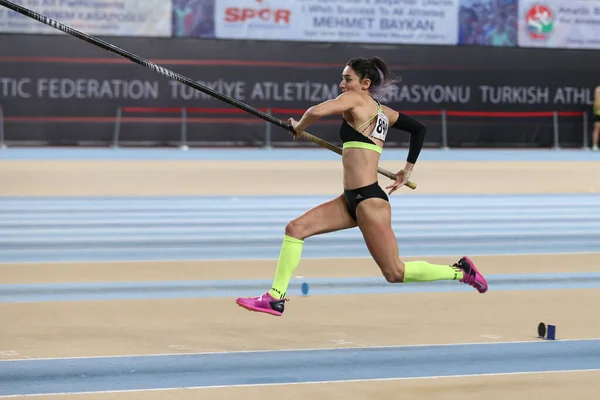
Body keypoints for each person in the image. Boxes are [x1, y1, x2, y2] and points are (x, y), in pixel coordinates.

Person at [236, 57, 488, 317]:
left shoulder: (356, 99)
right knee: (295, 229)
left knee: (394, 272)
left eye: (348, 79)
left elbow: (315, 111)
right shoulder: (384, 113)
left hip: (369, 200)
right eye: (342, 79)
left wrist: (299, 128)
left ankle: (461, 272)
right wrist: (407, 170)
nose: (342, 84)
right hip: (350, 200)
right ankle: (275, 298)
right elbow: (418, 129)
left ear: (365, 83)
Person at [593, 85, 600, 152]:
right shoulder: (598, 89)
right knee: (597, 128)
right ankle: (595, 145)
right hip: (598, 113)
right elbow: (597, 101)